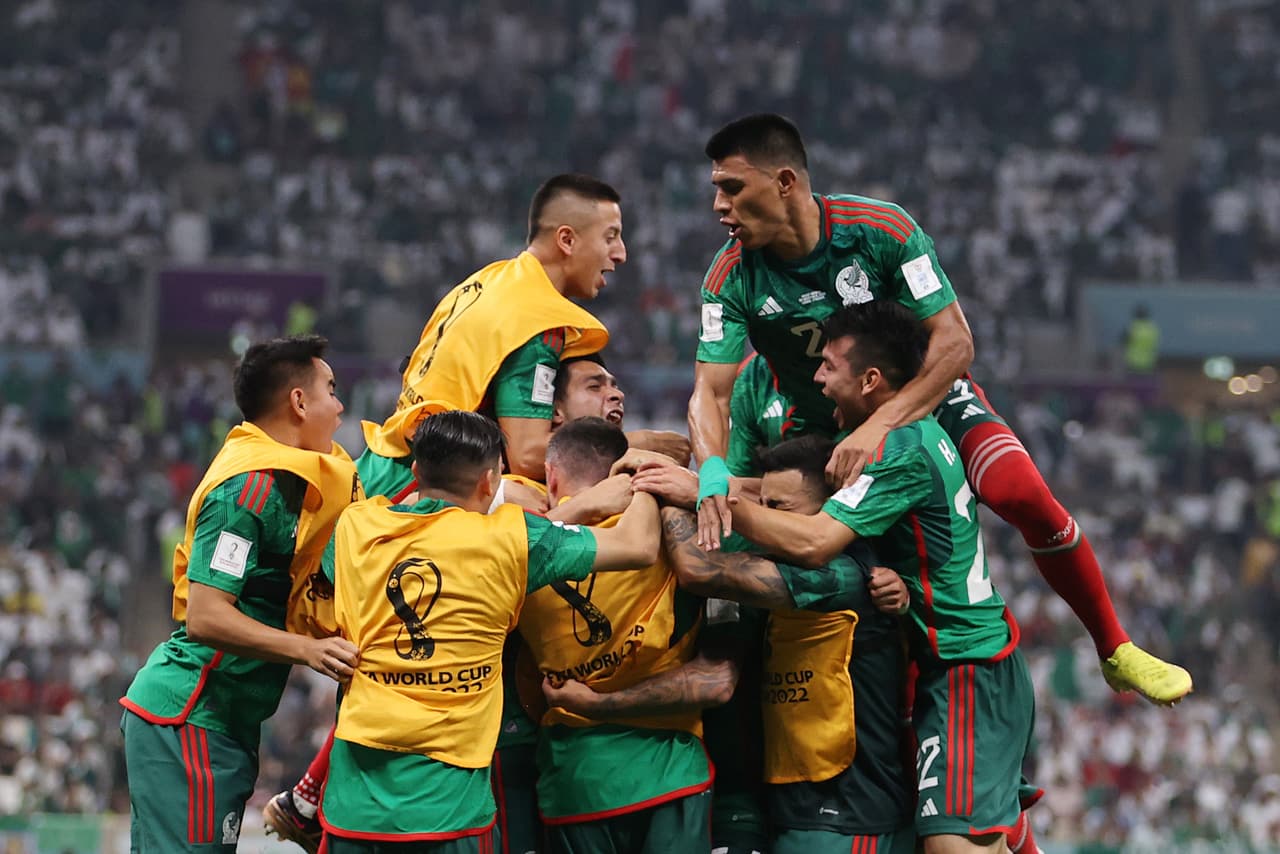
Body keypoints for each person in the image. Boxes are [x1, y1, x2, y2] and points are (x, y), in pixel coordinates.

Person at [686, 112, 1191, 706]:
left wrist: (881, 423)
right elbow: (710, 392)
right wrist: (712, 471)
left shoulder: (881, 231)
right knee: (860, 580)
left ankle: (1115, 647)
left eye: (732, 187)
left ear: (786, 181)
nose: (718, 205)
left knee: (1020, 494)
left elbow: (954, 342)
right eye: (716, 188)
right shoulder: (730, 275)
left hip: (930, 396)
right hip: (824, 424)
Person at [727, 301, 1034, 853]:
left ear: (870, 379)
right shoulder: (901, 434)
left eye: (828, 366)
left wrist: (708, 498)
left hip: (968, 668)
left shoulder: (898, 450)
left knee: (949, 846)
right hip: (945, 668)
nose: (816, 379)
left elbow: (817, 541)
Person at [318, 411, 661, 852]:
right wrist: (645, 473)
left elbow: (335, 572)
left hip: (355, 802)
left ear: (418, 470)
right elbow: (639, 546)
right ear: (490, 480)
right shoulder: (512, 538)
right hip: (450, 807)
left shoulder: (355, 526)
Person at [120, 335, 361, 853]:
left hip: (225, 723)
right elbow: (206, 616)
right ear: (299, 403)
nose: (341, 407)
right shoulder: (246, 489)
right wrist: (308, 649)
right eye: (331, 390)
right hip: (189, 717)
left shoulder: (300, 481)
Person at [357, 172, 624, 501]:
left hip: (380, 469)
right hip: (416, 490)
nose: (620, 253)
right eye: (610, 237)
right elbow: (527, 456)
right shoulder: (537, 316)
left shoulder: (486, 281)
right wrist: (634, 447)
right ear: (567, 240)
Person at [518, 417, 712, 853]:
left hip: (577, 780)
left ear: (550, 477)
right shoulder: (668, 527)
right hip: (669, 768)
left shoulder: (514, 543)